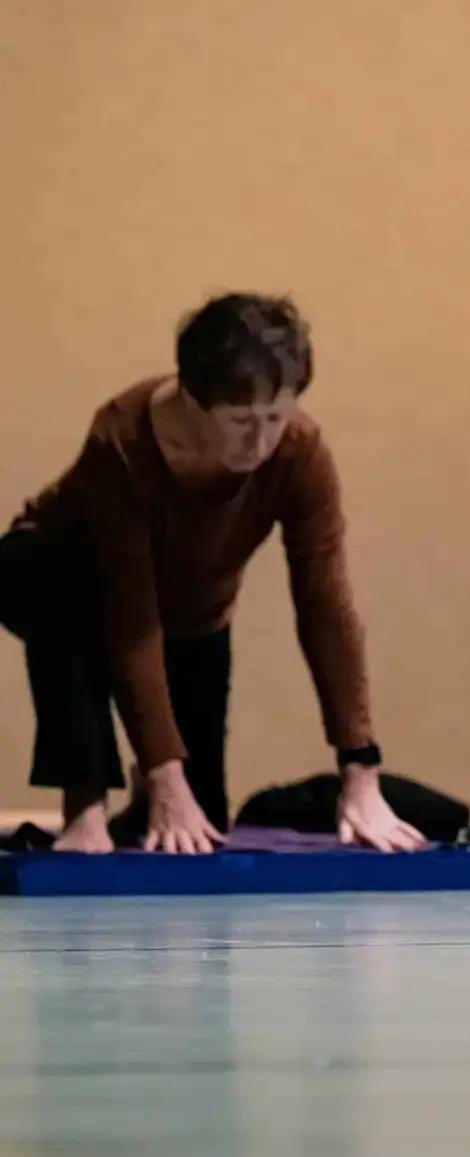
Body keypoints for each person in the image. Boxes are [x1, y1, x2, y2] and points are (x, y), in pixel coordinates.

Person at [0, 294, 426, 855]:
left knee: (199, 817)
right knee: (69, 587)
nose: (261, 441)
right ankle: (86, 809)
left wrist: (359, 764)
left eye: (276, 417)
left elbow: (326, 602)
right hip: (57, 578)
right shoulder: (121, 440)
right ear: (193, 401)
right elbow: (131, 615)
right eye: (241, 421)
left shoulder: (299, 453)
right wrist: (161, 770)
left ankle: (147, 805)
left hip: (192, 612)